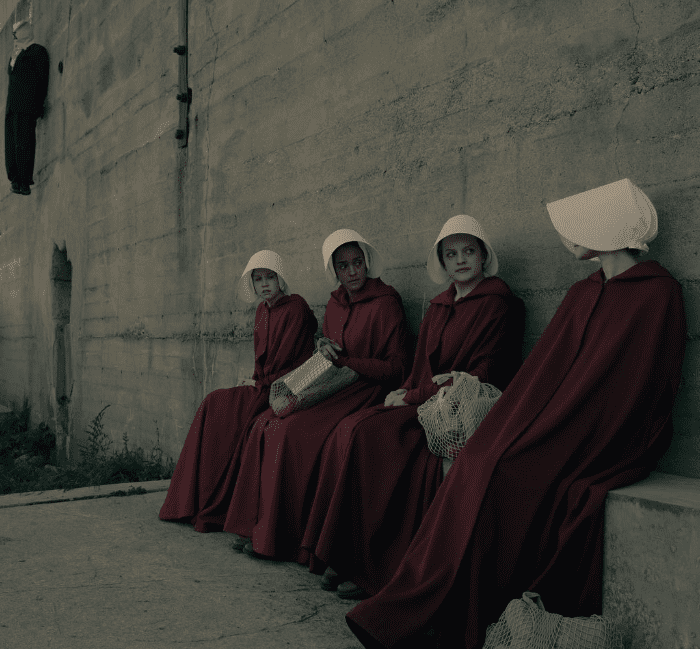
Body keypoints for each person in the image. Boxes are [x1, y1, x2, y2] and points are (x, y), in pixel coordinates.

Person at [345, 179, 687, 649]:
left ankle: (463, 628)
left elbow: (645, 385)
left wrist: (570, 430)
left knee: (507, 476)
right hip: (549, 422)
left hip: (603, 434)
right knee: (480, 460)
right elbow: (542, 375)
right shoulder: (582, 291)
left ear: (611, 229)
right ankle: (417, 607)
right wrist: (512, 424)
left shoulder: (658, 294)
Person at [301, 215, 526, 600]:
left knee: (377, 438)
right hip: (426, 399)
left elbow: (486, 371)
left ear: (483, 255)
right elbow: (422, 364)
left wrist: (412, 396)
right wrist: (405, 390)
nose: (460, 260)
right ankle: (351, 554)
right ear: (441, 260)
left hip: (461, 407)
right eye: (450, 253)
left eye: (469, 251)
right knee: (360, 427)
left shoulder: (499, 303)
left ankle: (376, 567)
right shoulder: (439, 305)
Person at [224, 230, 408, 561]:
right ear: (333, 270)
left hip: (366, 390)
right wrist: (323, 345)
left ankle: (281, 538)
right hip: (331, 384)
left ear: (366, 263)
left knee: (291, 432)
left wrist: (346, 361)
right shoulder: (336, 303)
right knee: (267, 422)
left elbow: (396, 368)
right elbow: (328, 343)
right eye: (343, 266)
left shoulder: (387, 302)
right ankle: (255, 526)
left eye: (357, 263)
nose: (352, 272)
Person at [159, 250, 318, 532]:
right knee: (213, 402)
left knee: (237, 419)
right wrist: (255, 380)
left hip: (287, 387)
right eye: (258, 279)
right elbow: (260, 357)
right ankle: (190, 502)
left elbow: (289, 360)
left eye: (270, 277)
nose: (265, 284)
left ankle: (216, 503)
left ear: (281, 278)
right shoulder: (261, 311)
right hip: (262, 384)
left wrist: (262, 384)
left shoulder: (296, 307)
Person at [5, 19, 50, 196]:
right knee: (11, 145)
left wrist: (38, 104)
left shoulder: (37, 51)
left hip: (26, 106)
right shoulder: (15, 56)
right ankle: (15, 179)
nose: (14, 38)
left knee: (24, 143)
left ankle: (24, 181)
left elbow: (42, 79)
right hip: (12, 106)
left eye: (16, 34)